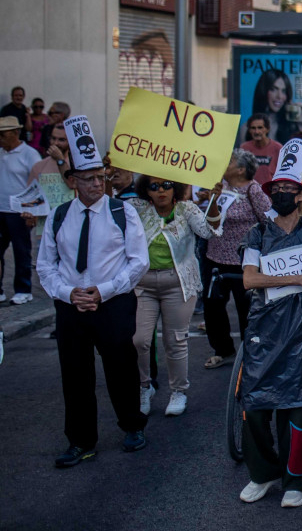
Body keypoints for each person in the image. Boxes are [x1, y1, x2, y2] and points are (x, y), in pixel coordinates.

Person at [38, 119, 148, 468]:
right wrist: (69, 294)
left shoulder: (122, 212)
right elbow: (46, 265)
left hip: (113, 303)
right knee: (75, 373)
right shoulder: (58, 217)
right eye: (88, 179)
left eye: (101, 177)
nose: (97, 184)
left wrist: (103, 291)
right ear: (72, 181)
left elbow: (137, 262)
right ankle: (81, 441)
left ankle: (132, 425)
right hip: (72, 306)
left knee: (121, 366)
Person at [236, 140, 302, 509]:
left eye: (290, 189)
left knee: (298, 407)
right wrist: (297, 280)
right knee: (254, 406)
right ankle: (263, 472)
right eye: (278, 189)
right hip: (264, 331)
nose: (283, 194)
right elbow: (249, 280)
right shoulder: (258, 234)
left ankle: (295, 480)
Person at [129, 174, 223, 416]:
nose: (161, 190)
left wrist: (214, 199)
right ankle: (143, 387)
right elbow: (108, 210)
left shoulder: (187, 209)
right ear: (145, 190)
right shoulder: (136, 208)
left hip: (179, 284)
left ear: (176, 188)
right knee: (139, 340)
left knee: (175, 340)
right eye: (154, 186)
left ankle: (178, 391)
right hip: (143, 284)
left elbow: (209, 231)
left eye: (167, 185)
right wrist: (107, 177)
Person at [203, 150, 271, 370]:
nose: (224, 163)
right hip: (215, 258)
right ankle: (223, 350)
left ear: (242, 169)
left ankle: (248, 355)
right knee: (213, 307)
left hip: (244, 262)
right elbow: (210, 220)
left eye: (229, 161)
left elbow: (268, 221)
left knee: (246, 309)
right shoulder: (219, 187)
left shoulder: (253, 190)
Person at [0, 115, 41, 305]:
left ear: (16, 133)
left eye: (3, 135)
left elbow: (37, 184)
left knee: (21, 250)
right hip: (0, 210)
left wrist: (33, 211)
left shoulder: (29, 154)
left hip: (20, 212)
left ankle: (24, 290)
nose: (0, 139)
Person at [241, 114, 282, 185]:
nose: (256, 132)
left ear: (267, 129)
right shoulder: (244, 148)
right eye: (253, 128)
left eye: (260, 128)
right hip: (249, 192)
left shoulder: (278, 148)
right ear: (249, 130)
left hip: (270, 192)